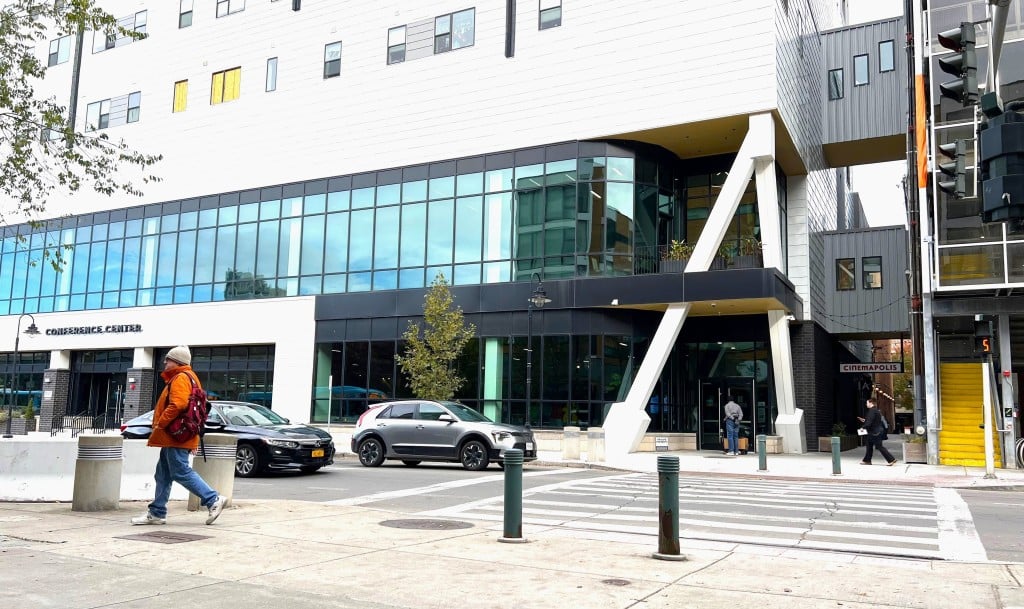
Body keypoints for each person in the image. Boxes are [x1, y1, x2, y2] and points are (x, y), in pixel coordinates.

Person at [132, 346, 226, 525]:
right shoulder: (188, 377)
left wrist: (161, 424)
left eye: (168, 359)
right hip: (179, 434)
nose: (165, 362)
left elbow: (178, 404)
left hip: (175, 434)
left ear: (178, 361)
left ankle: (213, 499)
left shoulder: (181, 378)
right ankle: (157, 512)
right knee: (163, 474)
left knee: (180, 471)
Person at [857, 397, 897, 466]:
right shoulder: (876, 411)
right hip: (876, 431)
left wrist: (862, 428)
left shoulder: (871, 411)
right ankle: (867, 460)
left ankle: (891, 459)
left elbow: (869, 423)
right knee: (869, 446)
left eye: (867, 403)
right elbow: (874, 421)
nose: (866, 404)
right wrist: (864, 420)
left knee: (879, 446)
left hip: (874, 432)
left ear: (870, 403)